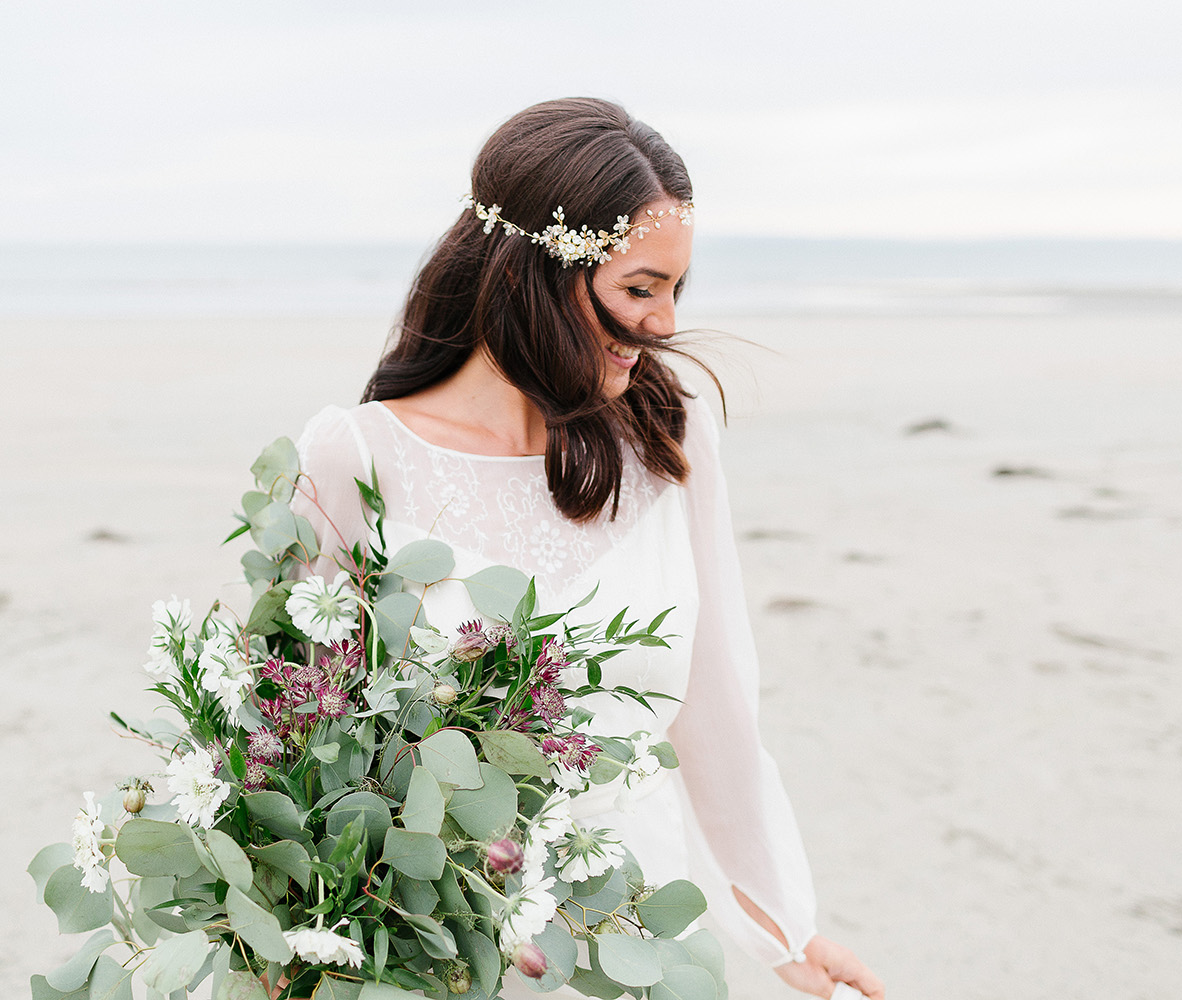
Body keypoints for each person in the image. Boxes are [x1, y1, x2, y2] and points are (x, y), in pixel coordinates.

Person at [292, 97, 885, 1000]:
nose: (663, 324)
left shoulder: (668, 431)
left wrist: (778, 926)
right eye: (639, 288)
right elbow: (306, 733)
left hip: (625, 916)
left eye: (677, 290)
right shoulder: (355, 456)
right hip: (432, 935)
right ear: (533, 269)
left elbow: (716, 703)